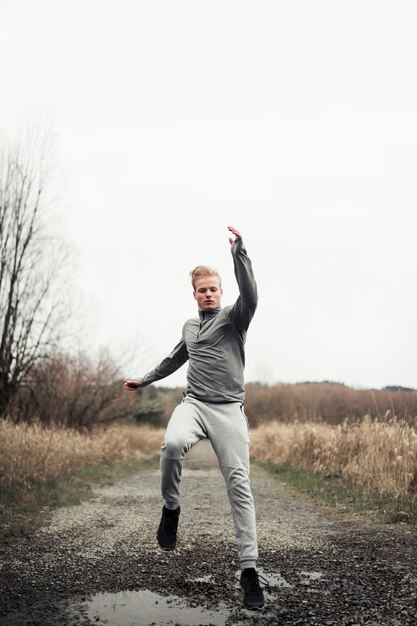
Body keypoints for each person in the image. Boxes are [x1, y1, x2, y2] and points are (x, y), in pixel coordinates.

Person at [124, 225, 264, 610]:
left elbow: (250, 292)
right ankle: (171, 509)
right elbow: (174, 358)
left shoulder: (236, 318)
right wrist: (145, 379)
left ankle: (249, 570)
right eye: (202, 289)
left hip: (228, 411)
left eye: (213, 288)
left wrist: (239, 253)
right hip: (194, 404)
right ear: (195, 294)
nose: (208, 294)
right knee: (170, 445)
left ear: (220, 291)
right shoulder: (189, 327)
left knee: (239, 486)